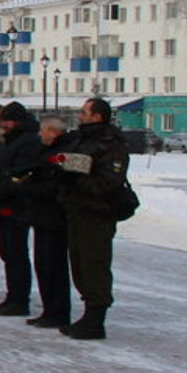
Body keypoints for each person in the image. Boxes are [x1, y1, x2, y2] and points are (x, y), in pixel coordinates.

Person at [55, 96, 131, 340]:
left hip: (97, 212)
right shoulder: (83, 139)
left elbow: (109, 181)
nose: (80, 116)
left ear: (98, 116)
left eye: (84, 112)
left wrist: (75, 179)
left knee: (94, 264)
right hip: (78, 209)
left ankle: (96, 319)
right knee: (79, 264)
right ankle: (88, 315)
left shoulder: (111, 143)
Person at [0, 102, 41, 317]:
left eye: (6, 120)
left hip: (16, 205)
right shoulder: (11, 141)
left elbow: (18, 176)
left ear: (16, 121)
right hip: (4, 203)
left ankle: (19, 298)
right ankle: (13, 295)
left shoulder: (27, 142)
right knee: (8, 252)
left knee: (16, 252)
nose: (2, 124)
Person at [13, 113, 73, 329]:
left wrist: (29, 185)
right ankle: (50, 309)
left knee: (53, 265)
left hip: (54, 216)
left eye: (43, 130)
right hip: (42, 215)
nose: (40, 134)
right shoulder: (46, 151)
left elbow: (56, 184)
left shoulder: (62, 154)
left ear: (53, 132)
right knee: (43, 264)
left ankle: (57, 311)